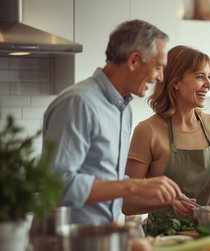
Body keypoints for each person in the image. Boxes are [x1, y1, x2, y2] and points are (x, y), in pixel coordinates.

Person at [42, 20, 183, 224]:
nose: (161, 78)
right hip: (66, 241)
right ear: (134, 60)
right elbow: (56, 184)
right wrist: (134, 186)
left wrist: (167, 200)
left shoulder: (123, 109)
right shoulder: (79, 103)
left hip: (100, 238)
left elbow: (111, 184)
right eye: (158, 67)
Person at [122, 45, 210, 217]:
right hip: (166, 238)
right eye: (200, 77)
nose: (208, 84)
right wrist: (168, 202)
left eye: (209, 77)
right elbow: (128, 203)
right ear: (176, 82)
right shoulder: (148, 131)